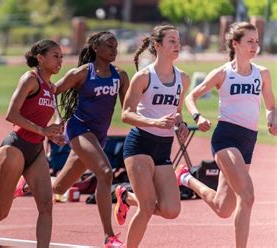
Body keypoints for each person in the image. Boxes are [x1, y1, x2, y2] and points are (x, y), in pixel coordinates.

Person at [178, 22, 276, 248]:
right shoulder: (223, 73)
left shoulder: (262, 74)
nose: (255, 46)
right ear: (236, 43)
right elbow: (191, 97)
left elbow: (271, 105)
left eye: (257, 41)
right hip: (226, 138)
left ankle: (186, 178)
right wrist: (198, 117)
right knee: (248, 196)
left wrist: (272, 118)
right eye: (249, 41)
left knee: (224, 208)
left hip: (248, 141)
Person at [0, 40, 64, 248]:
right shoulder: (30, 79)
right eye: (55, 56)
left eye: (61, 56)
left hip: (36, 151)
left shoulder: (52, 87)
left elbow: (53, 117)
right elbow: (11, 114)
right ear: (40, 58)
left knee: (47, 206)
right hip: (16, 147)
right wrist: (43, 131)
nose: (60, 60)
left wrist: (56, 131)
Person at [113, 24, 190, 248]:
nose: (177, 45)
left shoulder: (182, 79)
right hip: (140, 145)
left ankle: (125, 196)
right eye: (172, 41)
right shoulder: (144, 77)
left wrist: (181, 124)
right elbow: (126, 114)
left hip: (163, 148)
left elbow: (177, 112)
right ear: (157, 46)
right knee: (146, 208)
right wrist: (153, 122)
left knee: (171, 210)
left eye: (178, 40)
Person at [52, 31, 129, 247]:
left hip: (98, 136)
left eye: (116, 46)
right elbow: (51, 93)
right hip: (78, 128)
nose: (114, 50)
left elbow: (129, 109)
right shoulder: (82, 73)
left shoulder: (120, 76)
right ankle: (109, 237)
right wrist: (57, 122)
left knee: (59, 188)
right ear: (96, 48)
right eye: (109, 46)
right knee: (105, 172)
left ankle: (26, 185)